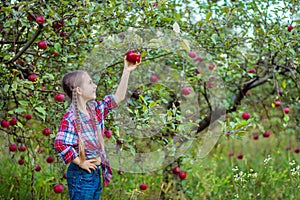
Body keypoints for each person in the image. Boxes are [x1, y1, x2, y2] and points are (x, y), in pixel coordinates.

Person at [54, 56, 139, 200]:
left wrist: (127, 70)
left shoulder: (94, 109)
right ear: (79, 90)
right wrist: (80, 161)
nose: (95, 86)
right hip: (81, 175)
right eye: (90, 83)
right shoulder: (72, 117)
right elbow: (60, 143)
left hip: (94, 172)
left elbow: (117, 98)